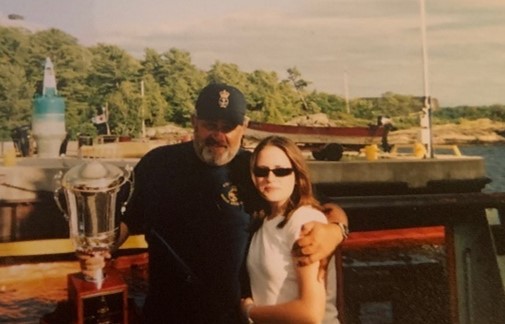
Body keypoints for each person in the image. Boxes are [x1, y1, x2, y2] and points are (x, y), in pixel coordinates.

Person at [79, 83, 348, 323]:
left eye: (228, 127)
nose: (218, 135)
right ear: (194, 121)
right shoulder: (157, 164)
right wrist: (101, 250)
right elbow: (128, 221)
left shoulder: (258, 170)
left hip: (234, 317)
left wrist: (334, 231)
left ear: (243, 127)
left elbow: (324, 207)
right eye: (210, 124)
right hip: (166, 314)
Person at [241, 136, 339, 323]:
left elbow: (310, 313)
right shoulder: (264, 223)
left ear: (297, 176)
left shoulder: (305, 222)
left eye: (281, 171)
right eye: (262, 171)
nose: (270, 178)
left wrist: (250, 312)